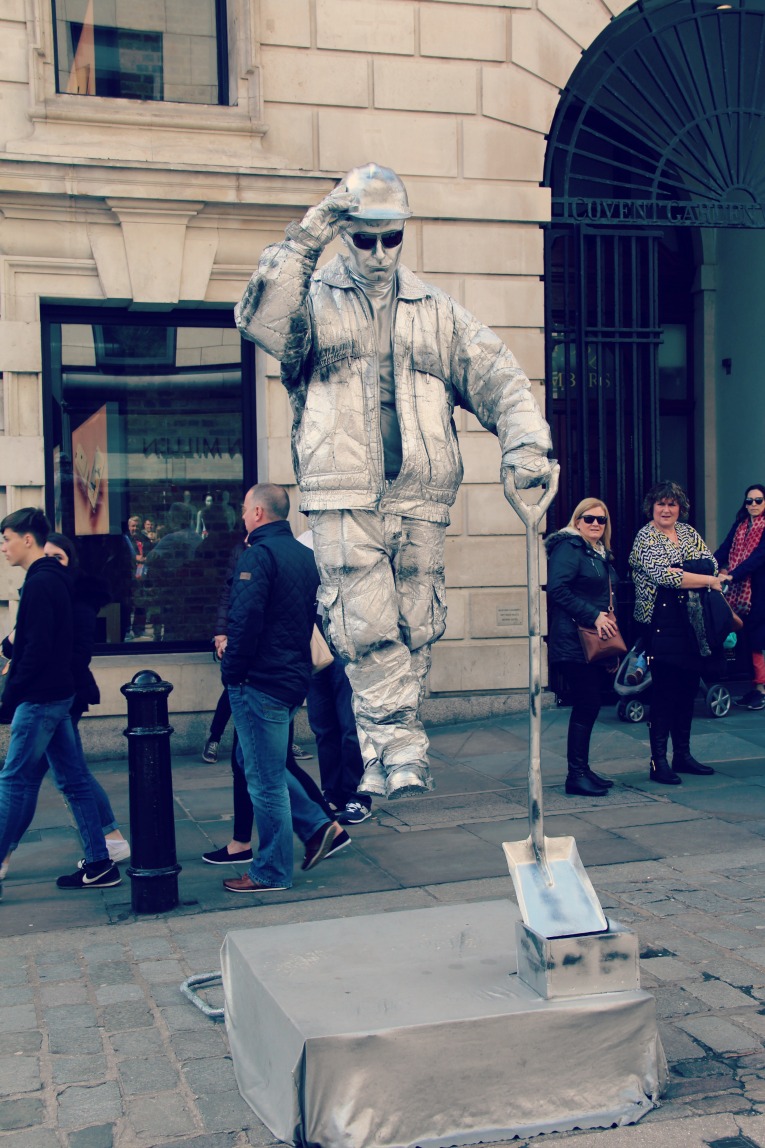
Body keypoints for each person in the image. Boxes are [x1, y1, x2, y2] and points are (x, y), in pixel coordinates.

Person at [235, 162, 553, 800]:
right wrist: (314, 228)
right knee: (364, 623)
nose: (380, 252)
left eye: (392, 237)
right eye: (365, 238)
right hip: (342, 490)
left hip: (421, 495)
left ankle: (383, 756)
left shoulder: (435, 311)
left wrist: (525, 442)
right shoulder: (312, 299)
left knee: (415, 625)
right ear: (345, 233)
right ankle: (401, 750)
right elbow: (261, 319)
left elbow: (498, 375)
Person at [220, 483, 346, 893]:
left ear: (258, 512)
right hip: (291, 678)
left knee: (265, 779)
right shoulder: (304, 555)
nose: (242, 515)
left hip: (260, 681)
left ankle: (271, 871)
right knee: (255, 762)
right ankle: (319, 827)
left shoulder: (258, 555)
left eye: (245, 509)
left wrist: (232, 673)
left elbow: (245, 620)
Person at [0, 508, 120, 893]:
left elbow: (35, 650)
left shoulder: (41, 583)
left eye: (6, 539)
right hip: (57, 696)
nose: (3, 547)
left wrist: (9, 699)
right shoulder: (52, 579)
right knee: (73, 780)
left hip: (41, 699)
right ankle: (100, 864)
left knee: (13, 781)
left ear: (27, 539)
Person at [629, 481, 725, 785]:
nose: (666, 509)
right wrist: (704, 580)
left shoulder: (688, 532)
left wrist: (685, 571)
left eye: (672, 504)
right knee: (664, 693)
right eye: (661, 504)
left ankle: (682, 755)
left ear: (680, 508)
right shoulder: (645, 536)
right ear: (652, 507)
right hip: (659, 623)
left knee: (687, 690)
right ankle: (658, 762)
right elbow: (664, 576)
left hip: (691, 623)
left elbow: (711, 564)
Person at [545, 498, 619, 797]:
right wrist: (593, 616)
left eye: (601, 520)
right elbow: (557, 589)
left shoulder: (597, 552)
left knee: (590, 704)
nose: (595, 524)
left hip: (591, 641)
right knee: (587, 703)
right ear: (577, 521)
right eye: (589, 519)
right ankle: (575, 775)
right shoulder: (569, 547)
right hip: (573, 640)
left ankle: (583, 770)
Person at [715, 483, 765, 711]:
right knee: (745, 639)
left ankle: (761, 690)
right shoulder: (741, 526)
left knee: (757, 640)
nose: (753, 504)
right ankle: (754, 688)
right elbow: (725, 549)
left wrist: (733, 575)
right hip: (741, 592)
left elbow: (758, 558)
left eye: (758, 500)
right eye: (749, 501)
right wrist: (708, 566)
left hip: (759, 592)